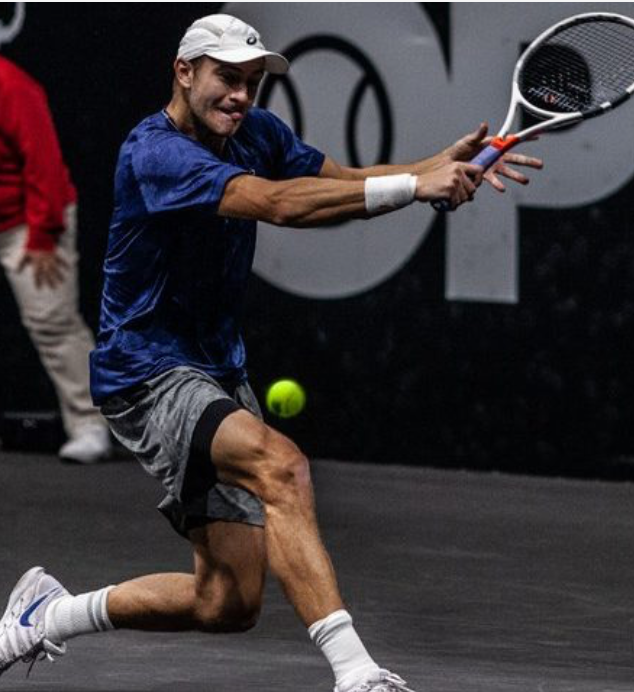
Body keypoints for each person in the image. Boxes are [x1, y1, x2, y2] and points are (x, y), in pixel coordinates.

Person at [0, 15, 542, 691]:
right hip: (146, 370)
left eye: (253, 82)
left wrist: (437, 165)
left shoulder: (255, 133)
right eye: (228, 77)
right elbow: (278, 204)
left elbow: (339, 182)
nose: (241, 95)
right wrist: (416, 186)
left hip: (216, 370)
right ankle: (357, 676)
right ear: (184, 71)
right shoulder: (154, 152)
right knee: (281, 467)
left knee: (226, 602)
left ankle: (48, 614)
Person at [0, 55, 111, 464]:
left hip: (30, 220)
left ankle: (91, 424)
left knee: (53, 322)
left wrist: (44, 235)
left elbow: (43, 162)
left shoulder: (11, 86)